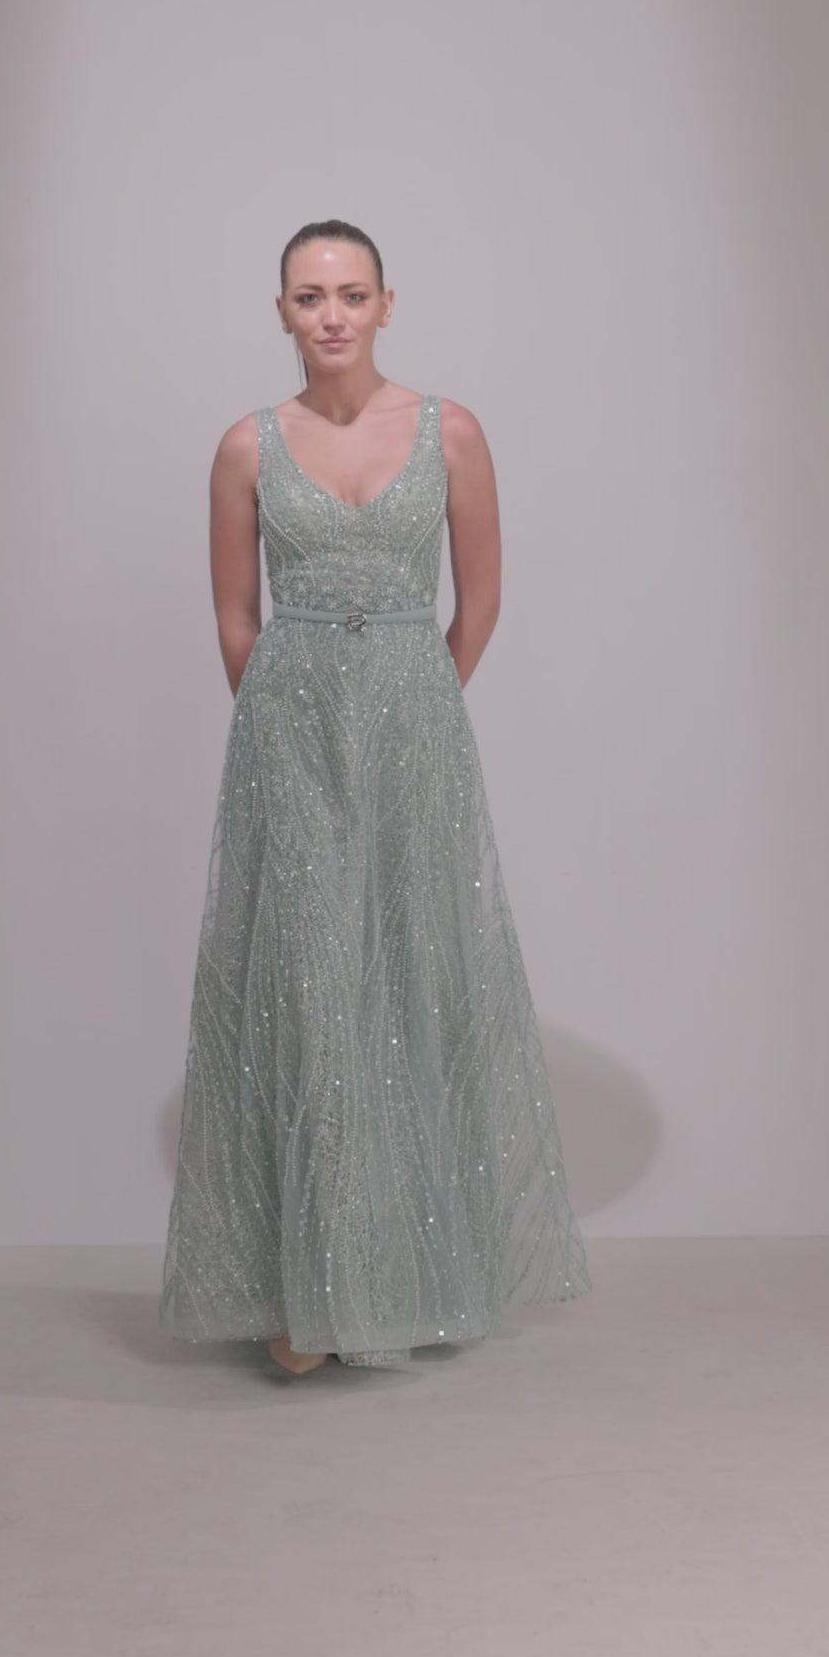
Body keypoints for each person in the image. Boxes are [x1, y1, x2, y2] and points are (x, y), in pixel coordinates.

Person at [159, 218, 591, 1376]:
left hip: (414, 734)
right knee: (306, 994)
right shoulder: (246, 448)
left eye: (351, 293)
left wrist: (416, 710)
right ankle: (309, 1293)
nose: (332, 315)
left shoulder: (450, 433)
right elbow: (235, 617)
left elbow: (480, 602)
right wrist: (280, 730)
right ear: (282, 312)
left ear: (387, 305)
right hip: (288, 741)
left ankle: (411, 1274)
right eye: (309, 296)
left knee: (410, 979)